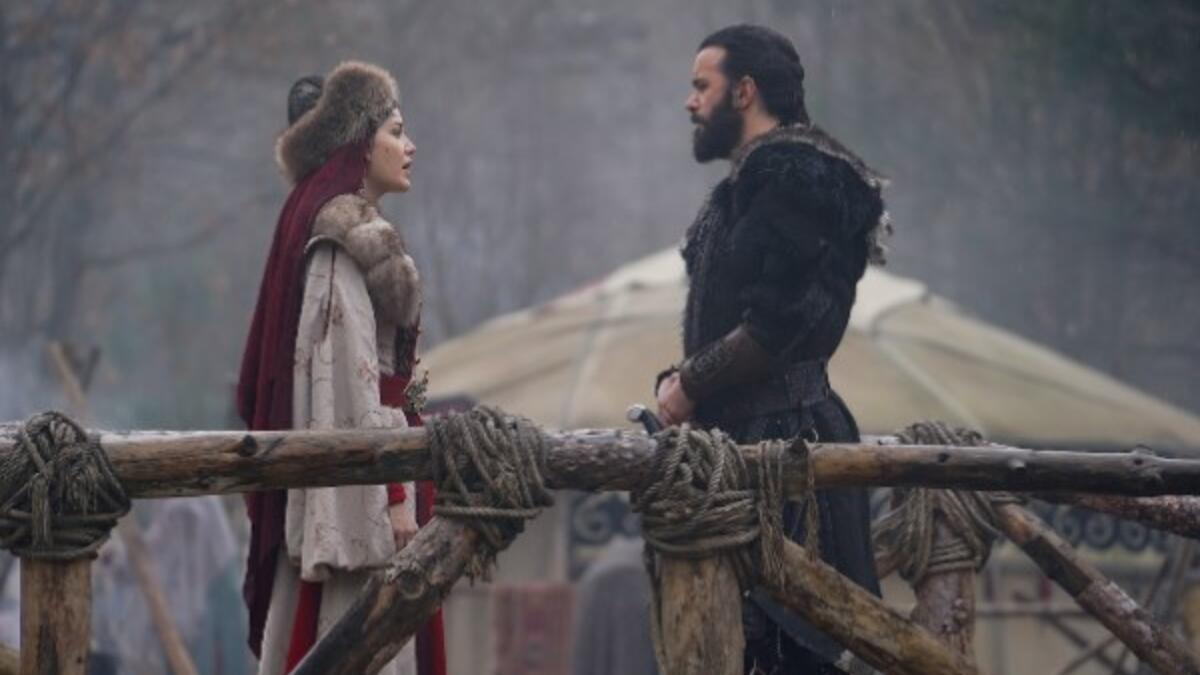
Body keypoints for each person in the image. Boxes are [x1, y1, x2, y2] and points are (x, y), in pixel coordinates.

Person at [655, 25, 890, 674]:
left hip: (789, 444)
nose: (690, 101)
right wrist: (686, 384)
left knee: (799, 650)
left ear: (745, 91)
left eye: (702, 86)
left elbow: (778, 327)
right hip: (743, 444)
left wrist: (690, 384)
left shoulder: (801, 176)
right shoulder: (754, 180)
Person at [236, 60, 445, 675]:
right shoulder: (341, 243)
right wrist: (395, 495)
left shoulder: (352, 231)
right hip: (364, 498)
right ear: (360, 145)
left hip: (385, 470)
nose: (410, 147)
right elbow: (348, 384)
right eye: (396, 132)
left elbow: (390, 379)